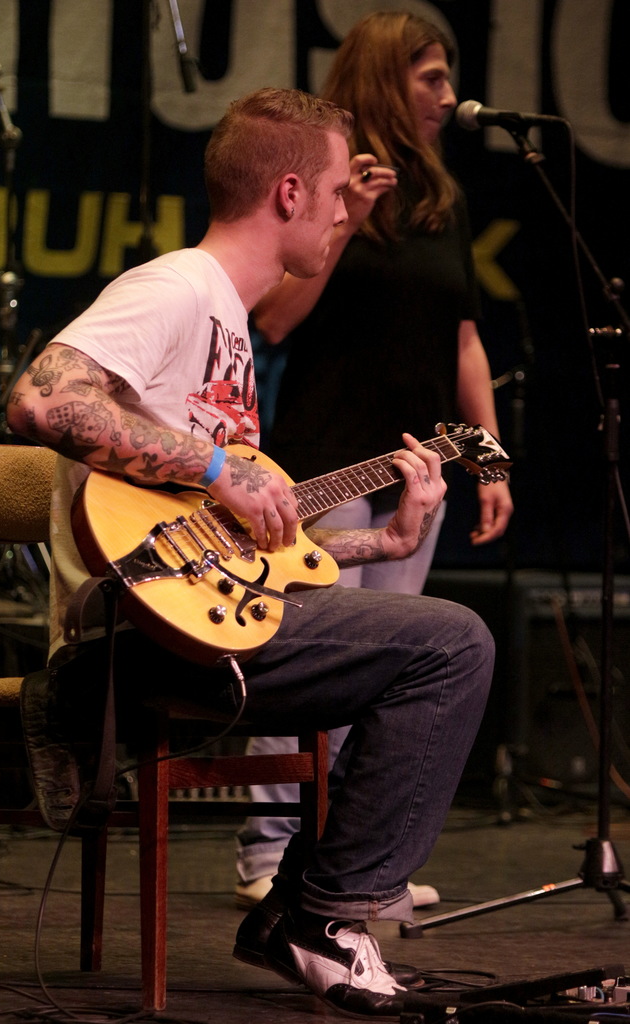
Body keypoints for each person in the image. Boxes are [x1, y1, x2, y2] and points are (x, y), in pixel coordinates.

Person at [6, 87, 495, 1020]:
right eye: (337, 193)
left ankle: (303, 908)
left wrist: (384, 540)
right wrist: (218, 465)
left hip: (197, 617)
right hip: (138, 630)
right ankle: (323, 916)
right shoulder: (177, 287)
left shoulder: (227, 319)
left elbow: (231, 544)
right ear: (288, 193)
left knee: (430, 642)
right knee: (453, 646)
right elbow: (41, 400)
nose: (346, 213)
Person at [235, 10, 514, 913]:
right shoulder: (332, 183)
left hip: (417, 470)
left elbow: (464, 339)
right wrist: (348, 217)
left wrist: (491, 459)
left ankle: (352, 863)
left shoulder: (440, 197)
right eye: (430, 77)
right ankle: (269, 848)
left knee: (394, 671)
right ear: (386, 78)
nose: (447, 96)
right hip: (329, 463)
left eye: (448, 77)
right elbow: (276, 318)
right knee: (313, 661)